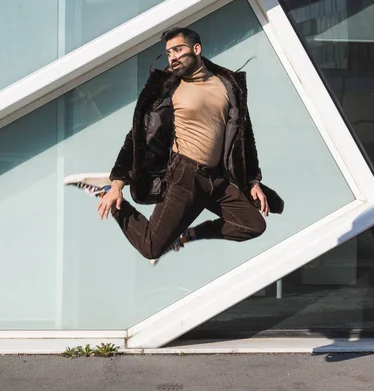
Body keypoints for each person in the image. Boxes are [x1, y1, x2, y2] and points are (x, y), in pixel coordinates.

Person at [64, 27, 284, 264]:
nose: (173, 57)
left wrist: (253, 180)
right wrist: (117, 183)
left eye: (178, 50)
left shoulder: (227, 84)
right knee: (150, 247)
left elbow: (244, 136)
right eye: (169, 53)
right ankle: (106, 194)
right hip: (185, 177)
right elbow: (137, 135)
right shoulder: (168, 88)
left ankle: (189, 235)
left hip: (217, 179)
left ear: (196, 49)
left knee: (253, 225)